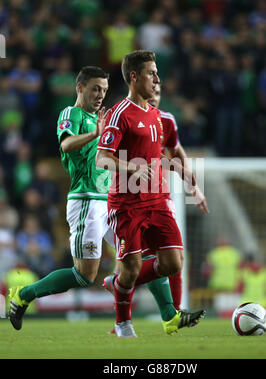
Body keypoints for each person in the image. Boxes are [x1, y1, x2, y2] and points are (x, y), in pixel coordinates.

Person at [96, 50, 209, 337]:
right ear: (134, 77)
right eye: (151, 73)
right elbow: (103, 158)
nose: (157, 78)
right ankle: (123, 323)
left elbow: (166, 154)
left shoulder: (158, 116)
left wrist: (189, 179)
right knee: (132, 268)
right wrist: (131, 168)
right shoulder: (119, 113)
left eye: (157, 73)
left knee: (173, 263)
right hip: (127, 203)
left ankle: (118, 282)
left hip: (157, 200)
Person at [8, 66, 114, 330]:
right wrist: (95, 134)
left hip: (110, 200)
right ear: (80, 87)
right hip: (86, 201)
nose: (100, 94)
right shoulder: (72, 113)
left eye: (104, 89)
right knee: (84, 275)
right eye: (95, 88)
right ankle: (24, 295)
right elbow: (65, 145)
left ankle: (168, 315)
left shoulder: (101, 119)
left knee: (140, 251)